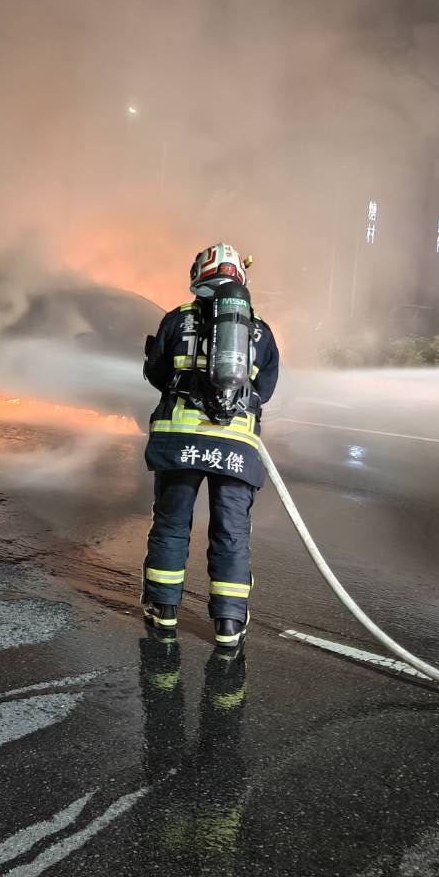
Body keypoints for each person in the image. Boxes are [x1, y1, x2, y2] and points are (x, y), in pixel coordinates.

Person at [140, 242, 279, 656]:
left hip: (179, 441)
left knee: (170, 526)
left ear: (198, 275)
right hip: (235, 446)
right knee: (232, 533)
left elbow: (157, 373)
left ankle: (163, 612)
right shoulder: (259, 330)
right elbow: (265, 391)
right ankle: (229, 624)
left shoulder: (177, 319)